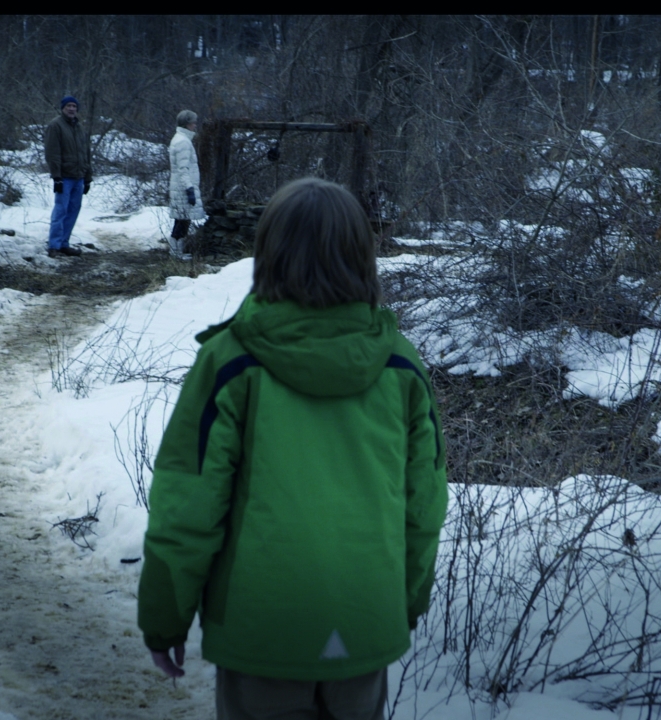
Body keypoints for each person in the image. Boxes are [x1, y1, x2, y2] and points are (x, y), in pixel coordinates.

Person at [137, 177, 448, 719]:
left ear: (269, 252)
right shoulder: (401, 366)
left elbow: (187, 506)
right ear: (361, 255)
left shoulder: (231, 363)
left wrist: (164, 617)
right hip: (363, 620)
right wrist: (403, 605)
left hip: (263, 632)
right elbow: (424, 506)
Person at [44, 95, 92, 258]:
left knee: (73, 211)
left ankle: (64, 243)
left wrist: (88, 177)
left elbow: (86, 153)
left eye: (74, 106)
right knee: (60, 210)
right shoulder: (55, 126)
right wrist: (56, 177)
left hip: (79, 176)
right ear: (63, 108)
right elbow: (52, 153)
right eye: (68, 106)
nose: (71, 109)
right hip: (64, 177)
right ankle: (54, 246)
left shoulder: (79, 127)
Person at [167, 109, 206, 260]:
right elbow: (183, 169)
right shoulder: (183, 142)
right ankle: (176, 253)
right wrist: (189, 188)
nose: (195, 125)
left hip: (180, 187)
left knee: (182, 220)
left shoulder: (180, 139)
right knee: (182, 221)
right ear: (187, 124)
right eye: (193, 122)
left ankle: (176, 252)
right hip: (183, 188)